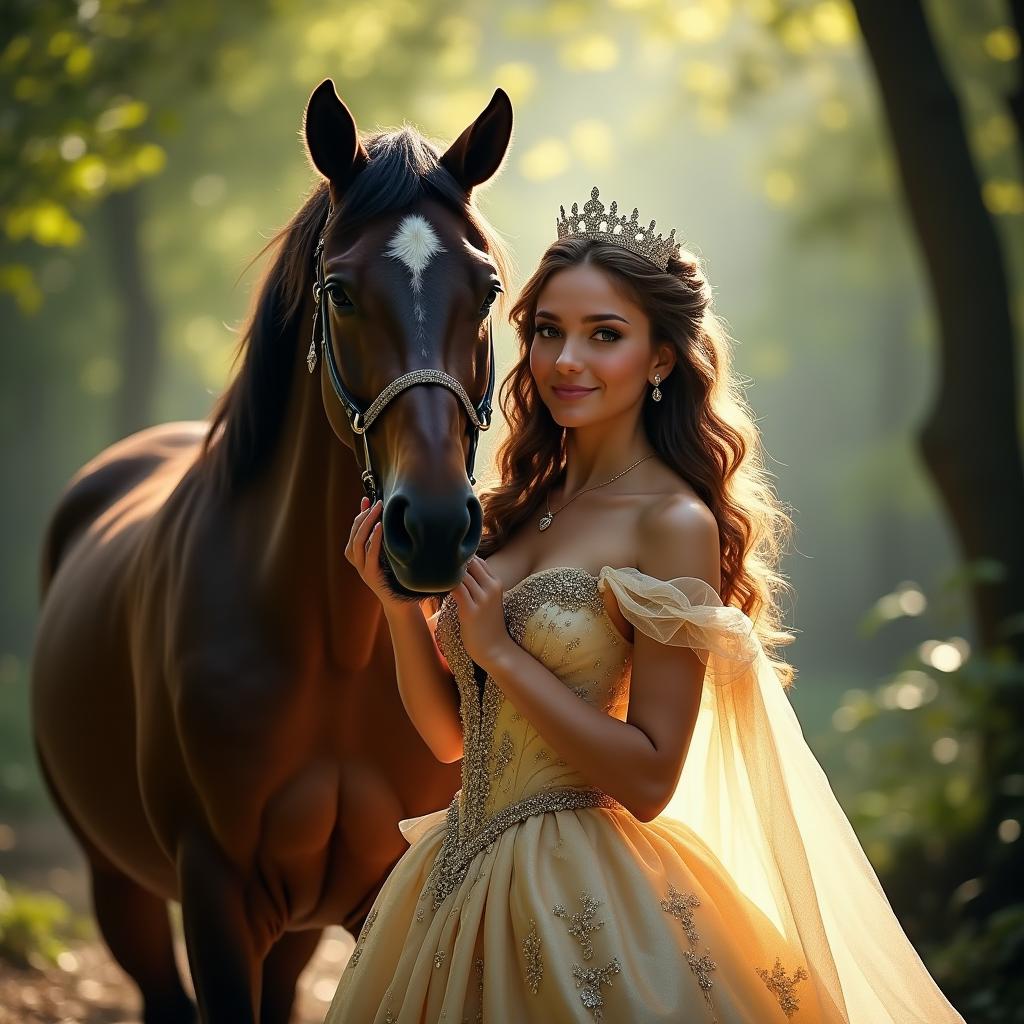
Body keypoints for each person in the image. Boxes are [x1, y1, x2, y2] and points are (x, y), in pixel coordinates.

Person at [323, 187, 966, 1023]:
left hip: (582, 898)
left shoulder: (672, 523)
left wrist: (504, 652)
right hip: (453, 884)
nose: (566, 362)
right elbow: (453, 739)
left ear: (660, 359)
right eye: (548, 331)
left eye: (605, 335)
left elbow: (652, 775)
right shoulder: (514, 505)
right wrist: (398, 609)